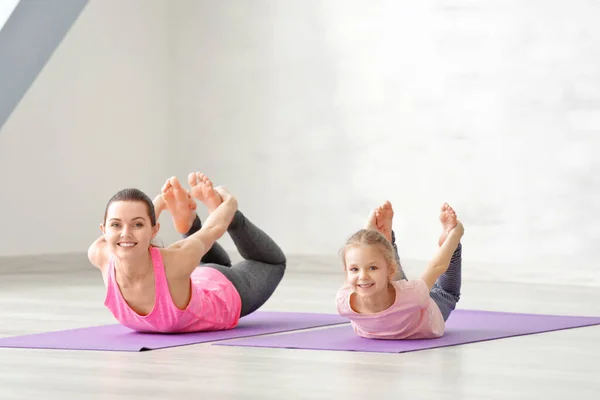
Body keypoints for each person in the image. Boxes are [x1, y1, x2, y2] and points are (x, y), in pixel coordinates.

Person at [87, 172, 287, 333]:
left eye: (138, 224)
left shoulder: (174, 261)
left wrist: (230, 204)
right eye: (115, 225)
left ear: (154, 230)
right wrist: (159, 202)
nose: (125, 234)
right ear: (104, 230)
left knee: (271, 262)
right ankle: (190, 225)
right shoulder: (99, 253)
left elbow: (211, 231)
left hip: (223, 289)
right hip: (190, 276)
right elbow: (135, 229)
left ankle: (230, 219)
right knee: (197, 254)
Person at [336, 201, 464, 339]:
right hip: (407, 299)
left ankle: (450, 246)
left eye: (372, 268)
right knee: (380, 260)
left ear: (391, 271)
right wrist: (367, 235)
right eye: (354, 269)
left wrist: (454, 235)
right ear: (346, 272)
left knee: (444, 293)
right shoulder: (343, 302)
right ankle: (381, 238)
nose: (363, 276)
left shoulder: (412, 295)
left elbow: (437, 267)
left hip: (425, 308)